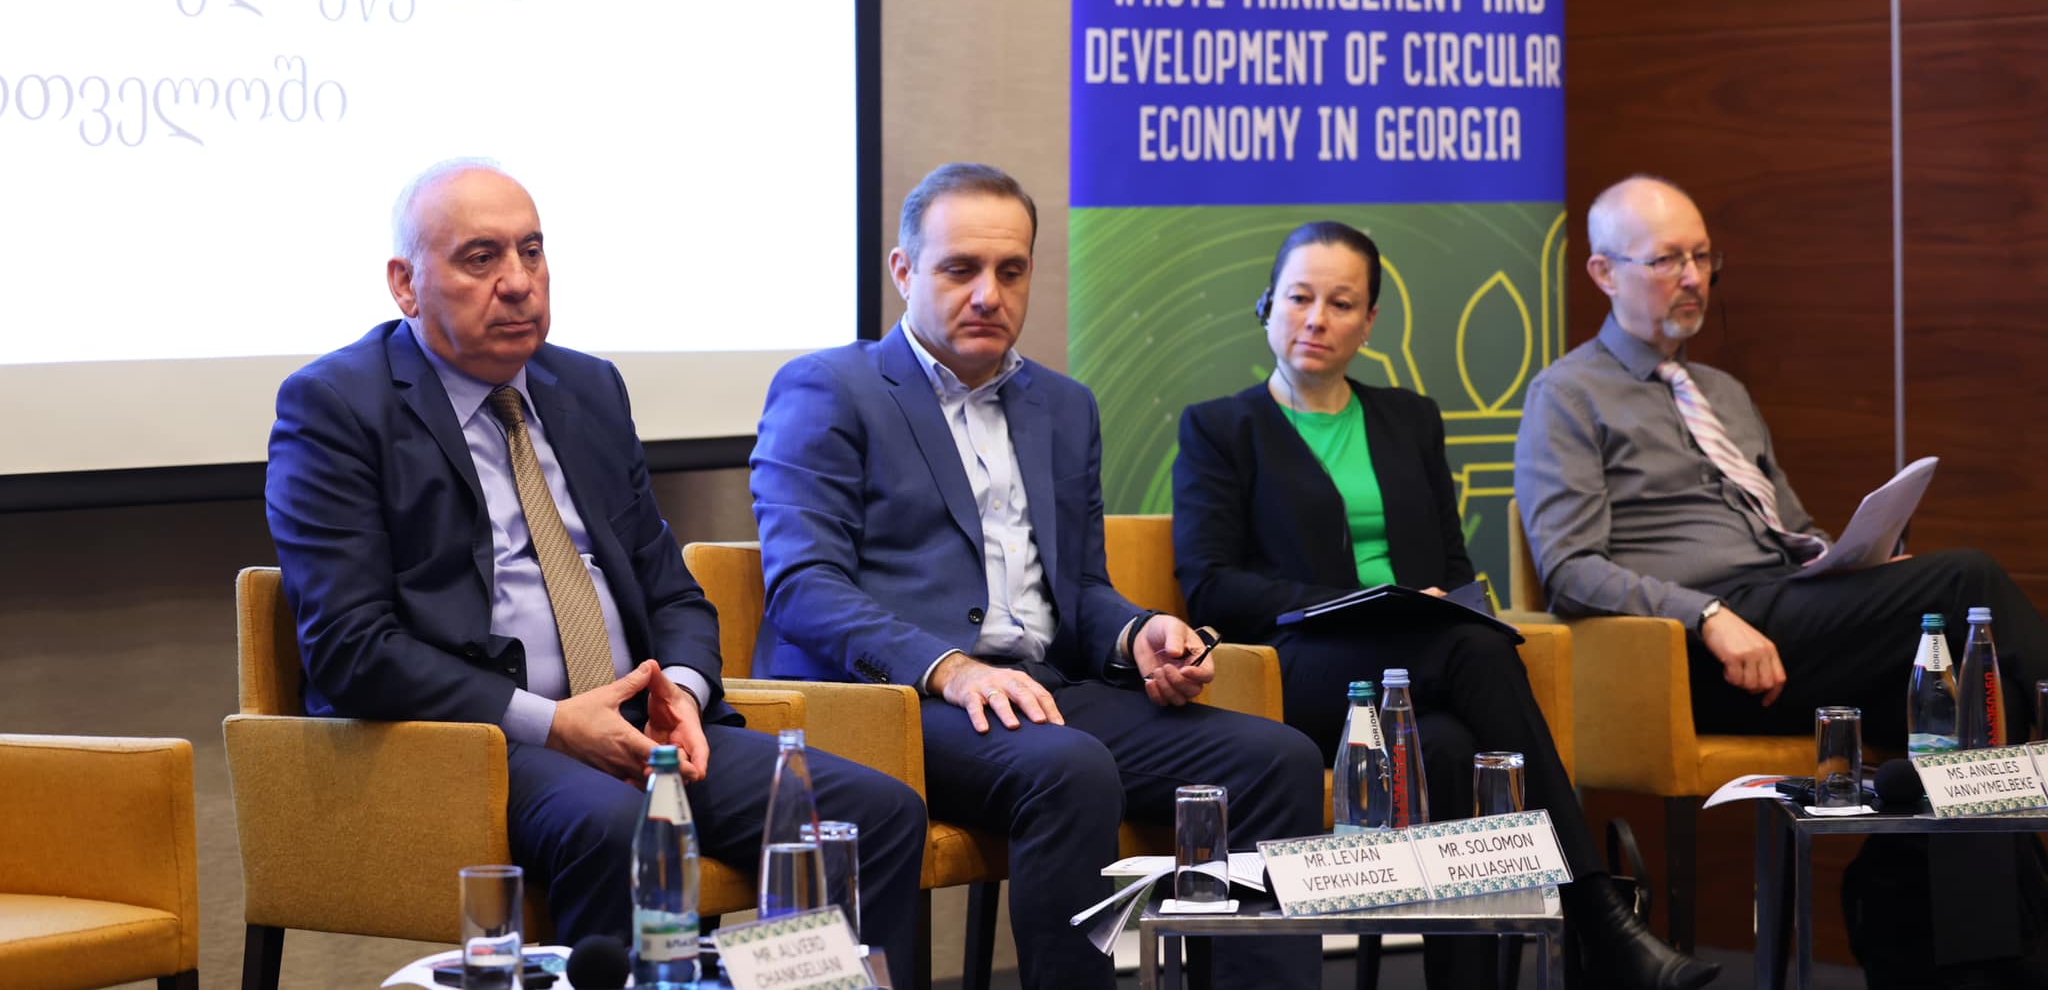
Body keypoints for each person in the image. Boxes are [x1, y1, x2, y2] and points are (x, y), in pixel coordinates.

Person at [265, 160, 925, 972]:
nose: (518, 282)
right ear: (406, 284)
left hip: (645, 729)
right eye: (481, 258)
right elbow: (350, 648)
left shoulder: (586, 387)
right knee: (621, 827)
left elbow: (672, 592)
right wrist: (552, 723)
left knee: (876, 815)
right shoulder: (336, 406)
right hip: (480, 743)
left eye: (532, 251)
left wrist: (680, 694)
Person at [750, 162, 1326, 990]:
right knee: (1069, 766)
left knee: (1277, 759)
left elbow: (1080, 588)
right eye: (960, 269)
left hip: (1041, 691)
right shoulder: (830, 388)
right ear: (904, 270)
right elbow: (805, 585)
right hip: (897, 702)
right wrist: (952, 669)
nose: (989, 294)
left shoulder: (1063, 405)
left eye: (1011, 270)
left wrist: (1138, 634)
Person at [1174, 219, 1717, 990]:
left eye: (1341, 303)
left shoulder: (1410, 419)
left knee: (1453, 747)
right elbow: (1211, 583)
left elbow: (1453, 568)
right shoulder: (1221, 428)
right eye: (1298, 298)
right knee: (1476, 649)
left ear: (1370, 321)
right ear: (1267, 305)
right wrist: (1369, 602)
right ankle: (1596, 913)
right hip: (1302, 672)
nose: (1316, 319)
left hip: (1423, 670)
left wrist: (1436, 606)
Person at [1514, 174, 2048, 743]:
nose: (1693, 278)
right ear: (1604, 273)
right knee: (1967, 578)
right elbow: (1570, 570)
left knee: (1978, 684)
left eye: (1701, 257)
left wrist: (1862, 569)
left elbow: (1795, 531)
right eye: (1666, 260)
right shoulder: (1567, 395)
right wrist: (1706, 614)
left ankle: (1952, 807)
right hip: (1694, 646)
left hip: (1789, 616)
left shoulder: (1723, 393)